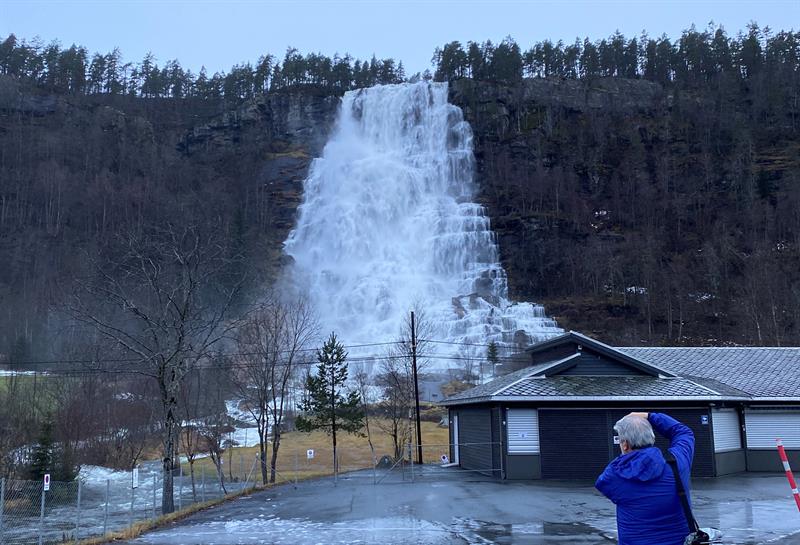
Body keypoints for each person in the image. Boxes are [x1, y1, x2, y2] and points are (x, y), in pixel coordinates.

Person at [595, 412, 695, 545]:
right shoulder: (678, 462)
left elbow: (601, 483)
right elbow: (683, 432)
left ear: (625, 444)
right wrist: (649, 416)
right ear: (652, 438)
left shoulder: (614, 475)